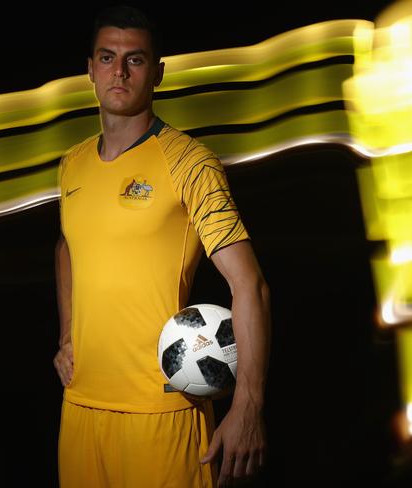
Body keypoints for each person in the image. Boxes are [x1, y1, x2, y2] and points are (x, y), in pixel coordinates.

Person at [53, 5, 271, 487]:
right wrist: (67, 335)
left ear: (157, 73)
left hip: (163, 412)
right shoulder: (71, 166)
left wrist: (248, 406)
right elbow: (68, 246)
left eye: (135, 60)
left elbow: (249, 285)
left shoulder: (190, 163)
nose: (120, 71)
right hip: (81, 408)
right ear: (90, 69)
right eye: (108, 58)